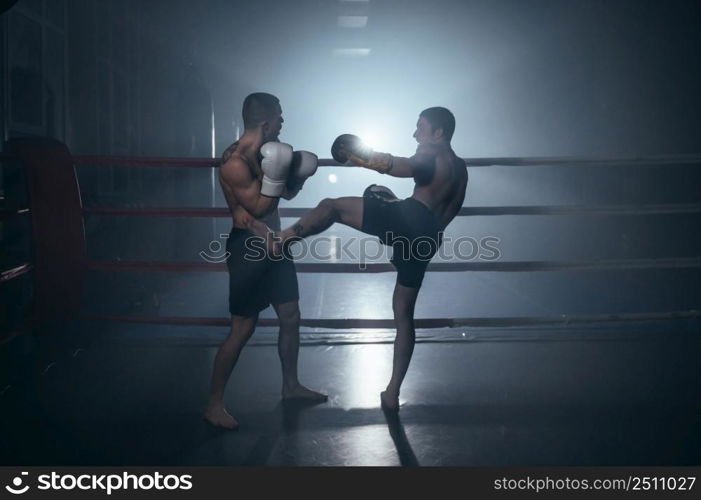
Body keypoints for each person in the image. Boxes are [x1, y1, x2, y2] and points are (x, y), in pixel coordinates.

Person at [273, 107, 468, 412]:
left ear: (438, 133)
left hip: (410, 221)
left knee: (331, 206)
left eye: (420, 128)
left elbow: (395, 165)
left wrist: (359, 155)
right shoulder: (461, 168)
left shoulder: (431, 155)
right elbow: (446, 208)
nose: (415, 134)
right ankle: (392, 393)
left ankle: (280, 240)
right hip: (430, 237)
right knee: (404, 315)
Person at [204, 92, 327, 430]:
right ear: (266, 122)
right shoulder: (235, 160)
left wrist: (298, 176)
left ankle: (290, 386)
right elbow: (257, 208)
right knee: (242, 328)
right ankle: (214, 405)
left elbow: (283, 195)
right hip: (248, 247)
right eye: (281, 117)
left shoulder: (267, 153)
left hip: (275, 244)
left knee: (290, 315)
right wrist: (279, 178)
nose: (284, 122)